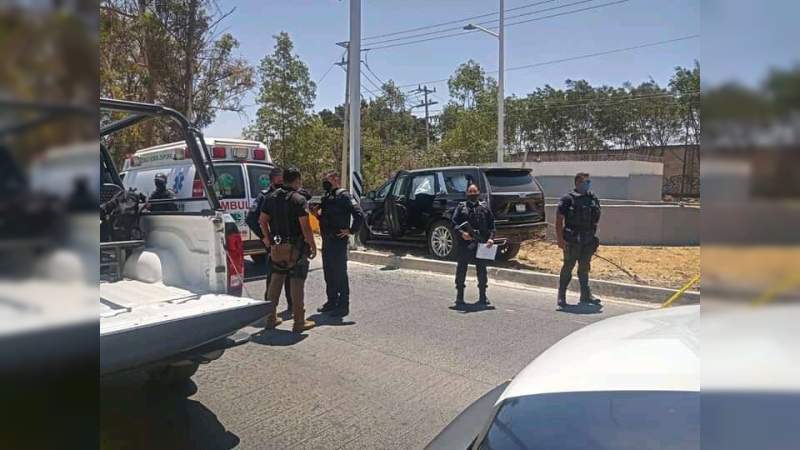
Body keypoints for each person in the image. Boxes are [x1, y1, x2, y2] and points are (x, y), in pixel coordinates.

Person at [258, 167, 318, 333]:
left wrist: (269, 240)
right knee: (297, 282)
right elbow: (305, 227)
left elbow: (262, 221)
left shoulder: (270, 198)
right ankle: (299, 322)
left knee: (276, 280)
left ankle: (270, 318)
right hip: (296, 248)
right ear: (297, 180)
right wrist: (312, 245)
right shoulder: (299, 199)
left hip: (277, 247)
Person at [310, 171, 364, 317]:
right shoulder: (327, 197)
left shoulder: (345, 196)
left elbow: (359, 215)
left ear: (336, 180)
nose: (325, 183)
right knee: (329, 273)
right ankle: (331, 301)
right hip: (327, 240)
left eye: (327, 180)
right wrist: (316, 215)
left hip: (338, 241)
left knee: (340, 273)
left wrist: (351, 231)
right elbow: (325, 219)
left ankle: (343, 305)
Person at [247, 167, 294, 314]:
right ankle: (269, 309)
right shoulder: (265, 196)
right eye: (279, 180)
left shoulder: (289, 194)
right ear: (272, 180)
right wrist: (264, 238)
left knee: (291, 275)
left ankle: (293, 306)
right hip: (273, 241)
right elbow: (252, 219)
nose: (282, 183)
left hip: (289, 241)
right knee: (274, 276)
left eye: (283, 180)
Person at [556, 172, 602, 308]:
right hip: (572, 239)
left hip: (588, 239)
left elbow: (596, 218)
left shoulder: (592, 198)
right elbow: (559, 220)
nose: (588, 185)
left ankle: (586, 295)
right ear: (577, 183)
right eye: (586, 182)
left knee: (584, 268)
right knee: (568, 267)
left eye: (589, 182)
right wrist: (560, 240)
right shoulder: (567, 199)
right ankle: (561, 295)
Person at [451, 183, 495, 306]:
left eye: (475, 191)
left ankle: (483, 296)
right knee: (461, 270)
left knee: (482, 271)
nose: (473, 194)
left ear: (479, 192)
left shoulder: (484, 208)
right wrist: (462, 233)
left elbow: (492, 226)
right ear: (466, 193)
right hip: (465, 244)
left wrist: (491, 239)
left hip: (480, 244)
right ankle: (459, 297)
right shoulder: (461, 207)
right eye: (470, 192)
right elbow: (453, 224)